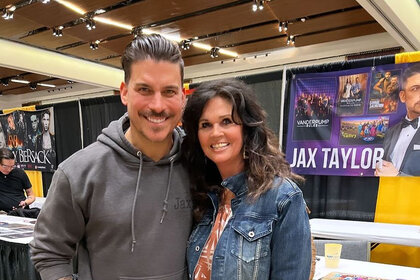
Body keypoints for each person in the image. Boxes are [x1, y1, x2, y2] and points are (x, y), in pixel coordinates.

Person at [30, 34, 192, 280]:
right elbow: (49, 252)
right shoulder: (78, 172)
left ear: (182, 97)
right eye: (145, 90)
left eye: (169, 91)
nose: (158, 105)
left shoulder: (198, 164)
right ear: (125, 92)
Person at [182, 79, 312, 280]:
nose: (216, 133)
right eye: (205, 125)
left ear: (247, 127)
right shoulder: (203, 195)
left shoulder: (282, 198)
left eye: (226, 121)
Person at [376, 63, 420, 176]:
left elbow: (394, 174)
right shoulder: (391, 132)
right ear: (403, 96)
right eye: (415, 89)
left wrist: (397, 176)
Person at [0, 148, 35, 212]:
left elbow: (31, 195)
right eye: (5, 166)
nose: (9, 169)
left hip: (21, 212)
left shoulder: (20, 173)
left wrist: (25, 202)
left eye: (12, 166)